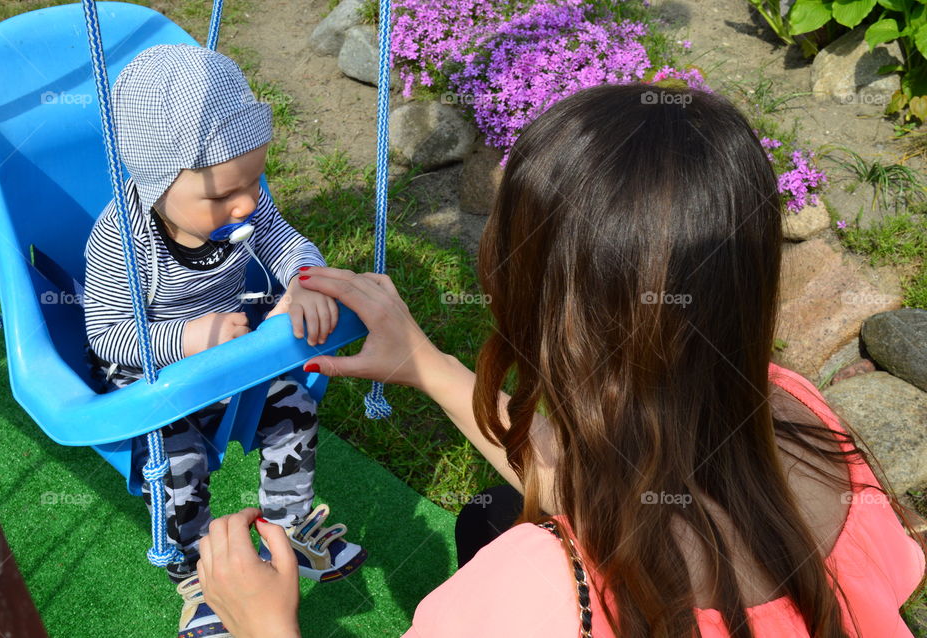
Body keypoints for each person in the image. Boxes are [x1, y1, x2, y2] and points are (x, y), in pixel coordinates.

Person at [194, 82, 926, 637]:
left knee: (495, 531)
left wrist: (265, 625)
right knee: (488, 515)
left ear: (546, 308)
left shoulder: (531, 595)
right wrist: (424, 362)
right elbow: (619, 482)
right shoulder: (803, 421)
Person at [81, 44, 366, 638]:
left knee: (294, 407)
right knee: (178, 461)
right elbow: (106, 334)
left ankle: (290, 529)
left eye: (253, 181)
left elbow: (284, 240)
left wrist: (304, 281)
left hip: (234, 358)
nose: (245, 203)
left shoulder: (242, 201)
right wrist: (184, 337)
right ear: (154, 184)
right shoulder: (122, 238)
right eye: (220, 197)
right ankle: (195, 570)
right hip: (153, 374)